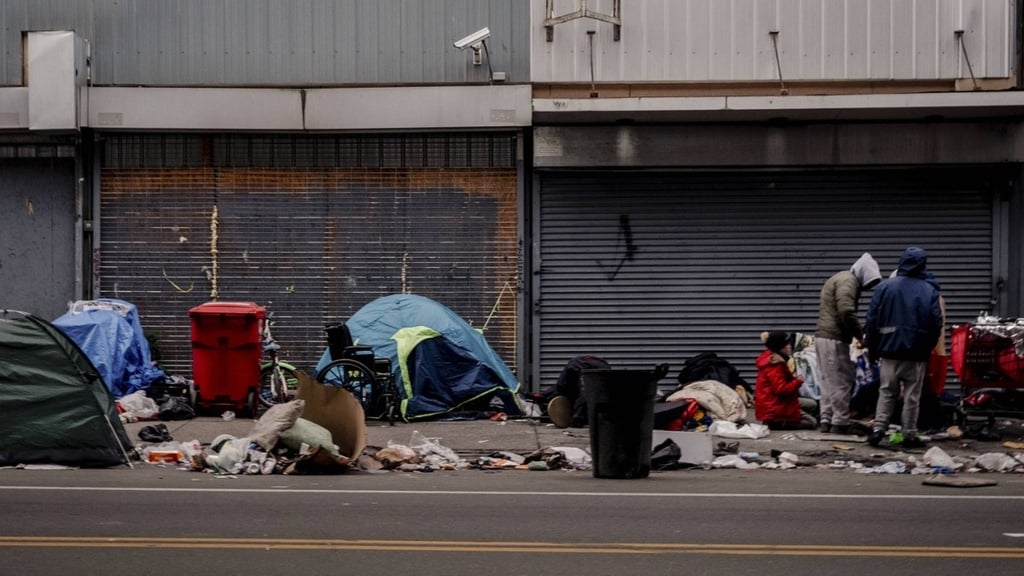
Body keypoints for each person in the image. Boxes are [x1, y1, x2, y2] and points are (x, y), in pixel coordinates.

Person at [863, 247, 944, 447]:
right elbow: (936, 324)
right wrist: (927, 348)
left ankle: (878, 430)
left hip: (889, 349)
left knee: (886, 391)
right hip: (917, 352)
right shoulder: (929, 290)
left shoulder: (884, 287)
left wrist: (873, 349)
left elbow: (872, 320)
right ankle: (909, 434)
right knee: (912, 396)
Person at [815, 253, 882, 435]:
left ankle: (826, 420)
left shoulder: (841, 277)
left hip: (824, 336)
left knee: (828, 382)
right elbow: (846, 311)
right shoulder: (848, 281)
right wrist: (860, 335)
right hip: (834, 338)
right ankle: (840, 422)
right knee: (842, 380)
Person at [755, 331, 818, 430]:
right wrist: (797, 381)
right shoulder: (775, 365)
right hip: (775, 407)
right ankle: (779, 423)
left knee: (812, 404)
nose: (789, 346)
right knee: (812, 423)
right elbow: (781, 390)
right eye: (786, 344)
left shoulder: (771, 357)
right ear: (780, 347)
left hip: (773, 402)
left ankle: (792, 417)